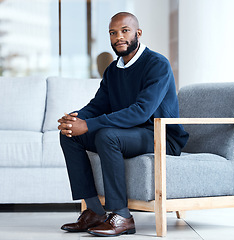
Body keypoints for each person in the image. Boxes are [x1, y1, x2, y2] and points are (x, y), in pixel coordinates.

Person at [58, 12, 189, 237]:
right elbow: (98, 105)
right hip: (130, 133)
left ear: (138, 33)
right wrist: (75, 119)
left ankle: (122, 217)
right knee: (69, 134)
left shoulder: (157, 64)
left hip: (159, 135)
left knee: (106, 135)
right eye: (113, 32)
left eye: (125, 31)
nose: (119, 37)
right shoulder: (113, 70)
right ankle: (95, 211)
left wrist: (89, 125)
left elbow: (141, 112)